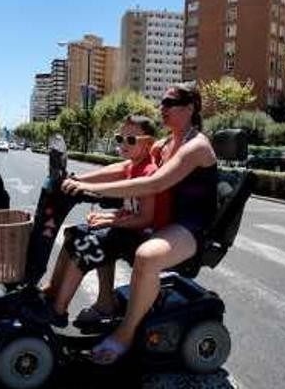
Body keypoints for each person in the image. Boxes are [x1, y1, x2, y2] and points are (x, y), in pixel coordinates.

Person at [61, 83, 218, 365]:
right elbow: (125, 168)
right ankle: (104, 302)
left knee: (146, 257)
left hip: (190, 226)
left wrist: (98, 192)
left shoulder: (196, 146)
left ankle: (126, 333)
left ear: (190, 108)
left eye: (170, 103)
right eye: (162, 102)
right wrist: (81, 180)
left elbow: (154, 183)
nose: (163, 107)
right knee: (100, 234)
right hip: (168, 220)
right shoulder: (165, 143)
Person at [41, 115, 169, 330]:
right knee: (74, 233)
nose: (123, 144)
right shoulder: (132, 166)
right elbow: (127, 207)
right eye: (120, 138)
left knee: (86, 245)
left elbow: (146, 218)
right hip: (131, 230)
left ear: (147, 143)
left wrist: (111, 222)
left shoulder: (148, 171)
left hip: (146, 237)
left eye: (131, 140)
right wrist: (77, 181)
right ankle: (53, 290)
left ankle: (58, 310)